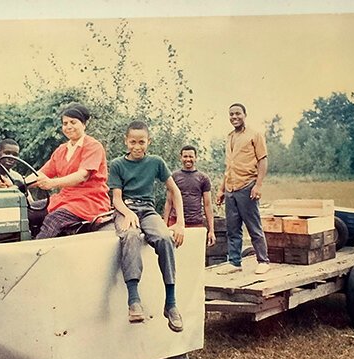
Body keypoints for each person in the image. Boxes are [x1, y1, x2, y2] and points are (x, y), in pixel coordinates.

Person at [109, 120, 185, 333]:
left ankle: (171, 303)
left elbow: (174, 191)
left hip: (148, 210)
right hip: (126, 209)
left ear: (148, 142)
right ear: (126, 141)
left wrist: (179, 223)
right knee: (131, 235)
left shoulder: (156, 162)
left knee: (164, 238)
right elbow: (116, 199)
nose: (137, 146)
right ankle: (134, 300)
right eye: (132, 142)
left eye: (141, 142)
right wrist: (128, 213)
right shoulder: (117, 165)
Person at [32, 103, 111, 239]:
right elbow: (41, 173)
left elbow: (82, 175)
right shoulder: (62, 150)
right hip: (65, 199)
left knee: (53, 220)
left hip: (88, 201)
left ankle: (33, 256)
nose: (68, 127)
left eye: (73, 122)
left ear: (84, 124)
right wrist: (18, 184)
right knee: (26, 211)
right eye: (65, 123)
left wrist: (52, 183)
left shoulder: (93, 146)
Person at [215, 103, 270, 275]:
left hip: (247, 186)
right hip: (231, 188)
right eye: (231, 114)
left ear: (245, 114)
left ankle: (263, 260)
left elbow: (263, 160)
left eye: (238, 113)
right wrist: (221, 190)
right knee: (232, 228)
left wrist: (258, 185)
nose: (234, 117)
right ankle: (234, 262)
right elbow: (228, 166)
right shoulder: (229, 136)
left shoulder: (255, 135)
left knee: (253, 226)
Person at [163, 145, 216, 247]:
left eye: (191, 157)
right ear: (181, 157)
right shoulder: (174, 176)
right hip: (175, 222)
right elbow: (169, 202)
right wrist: (165, 225)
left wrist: (211, 231)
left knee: (193, 255)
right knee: (174, 254)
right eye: (185, 156)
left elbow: (208, 205)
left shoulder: (203, 178)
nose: (188, 159)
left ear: (195, 158)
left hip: (195, 223)